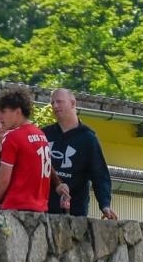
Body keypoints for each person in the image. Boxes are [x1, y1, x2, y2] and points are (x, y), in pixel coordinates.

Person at [43, 89, 117, 219]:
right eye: (52, 103)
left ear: (73, 103)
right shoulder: (45, 134)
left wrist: (105, 205)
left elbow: (99, 174)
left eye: (59, 102)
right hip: (44, 209)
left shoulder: (88, 138)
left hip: (75, 212)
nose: (55, 106)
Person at [0, 87, 52, 213]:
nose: (0, 116)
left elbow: (4, 178)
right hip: (40, 208)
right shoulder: (41, 135)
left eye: (4, 112)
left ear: (17, 112)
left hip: (17, 206)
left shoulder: (12, 136)